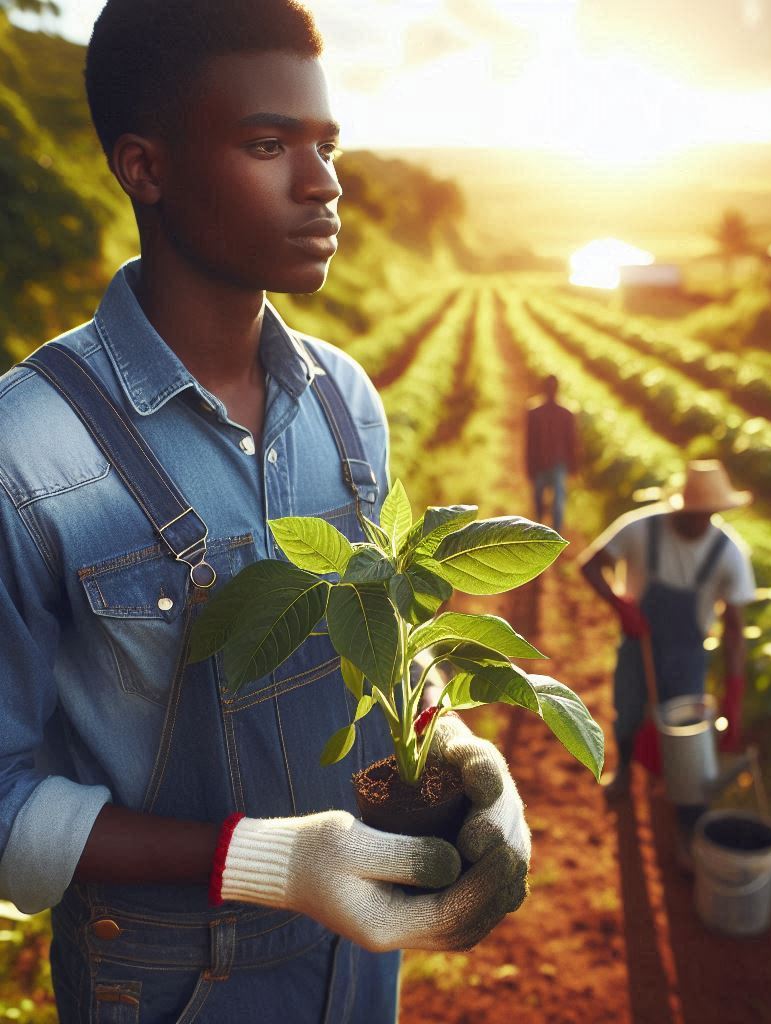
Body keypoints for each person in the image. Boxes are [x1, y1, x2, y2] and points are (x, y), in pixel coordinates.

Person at [0, 3, 529, 1020]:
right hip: (163, 983)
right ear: (144, 168)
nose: (323, 181)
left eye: (326, 144)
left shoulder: (345, 400)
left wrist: (456, 741)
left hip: (360, 958)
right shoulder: (29, 450)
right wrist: (277, 860)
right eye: (267, 143)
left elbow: (378, 639)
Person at [579, 460, 757, 817]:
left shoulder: (729, 553)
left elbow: (735, 628)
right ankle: (625, 772)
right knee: (628, 714)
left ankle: (683, 801)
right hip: (638, 644)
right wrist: (620, 606)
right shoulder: (641, 528)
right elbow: (590, 564)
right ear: (680, 506)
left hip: (689, 653)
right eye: (692, 513)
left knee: (685, 732)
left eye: (707, 514)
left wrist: (734, 693)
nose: (698, 521)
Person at [525, 373, 578, 534]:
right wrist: (529, 464)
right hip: (540, 463)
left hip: (558, 463)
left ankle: (555, 536)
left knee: (558, 502)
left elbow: (572, 441)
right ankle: (540, 531)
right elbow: (530, 441)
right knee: (539, 500)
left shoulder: (566, 413)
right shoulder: (534, 412)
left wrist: (574, 464)